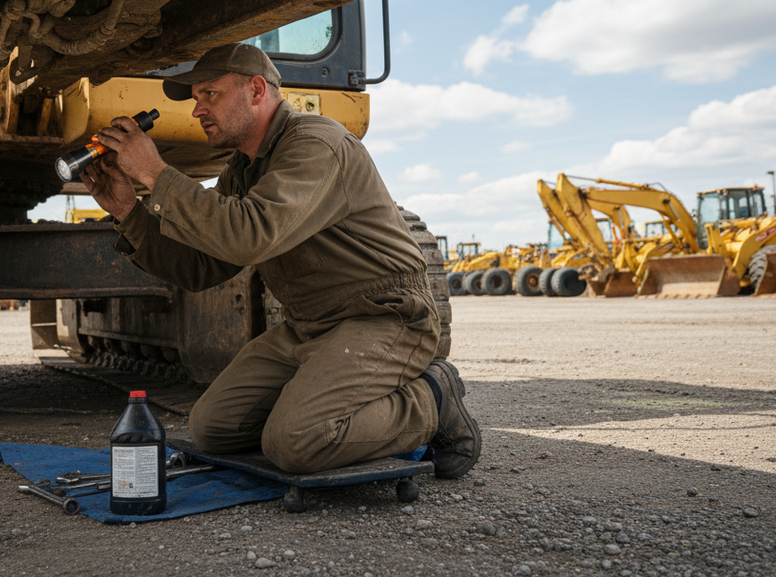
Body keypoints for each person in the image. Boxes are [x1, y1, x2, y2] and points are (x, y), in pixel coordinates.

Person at [80, 42, 481, 477]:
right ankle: (323, 407)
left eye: (209, 94)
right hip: (309, 325)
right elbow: (203, 267)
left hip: (383, 318)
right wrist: (128, 212)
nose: (198, 110)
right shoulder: (243, 168)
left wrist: (155, 173)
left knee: (296, 443)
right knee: (213, 429)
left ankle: (432, 400)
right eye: (196, 98)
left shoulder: (316, 143)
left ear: (256, 90)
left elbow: (250, 236)